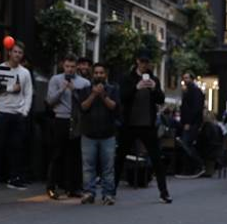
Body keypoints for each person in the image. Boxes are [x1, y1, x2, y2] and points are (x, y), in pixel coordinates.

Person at [115, 51, 172, 203]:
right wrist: (136, 87)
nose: (145, 65)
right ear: (137, 61)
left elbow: (160, 99)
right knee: (120, 157)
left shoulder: (153, 78)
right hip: (130, 125)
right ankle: (111, 191)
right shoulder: (128, 78)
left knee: (156, 159)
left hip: (147, 125)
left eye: (147, 62)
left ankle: (164, 192)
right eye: (142, 61)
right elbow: (122, 97)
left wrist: (154, 88)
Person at [0, 39, 33, 190]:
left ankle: (14, 177)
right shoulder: (0, 69)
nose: (17, 55)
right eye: (15, 51)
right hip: (2, 111)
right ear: (9, 52)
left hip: (17, 113)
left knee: (16, 147)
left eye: (20, 52)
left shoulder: (25, 72)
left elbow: (28, 93)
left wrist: (24, 111)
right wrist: (11, 88)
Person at [46, 53, 90, 199]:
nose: (69, 70)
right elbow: (50, 101)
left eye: (72, 67)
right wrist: (62, 89)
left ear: (76, 67)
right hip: (61, 119)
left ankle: (74, 187)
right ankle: (52, 187)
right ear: (62, 66)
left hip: (76, 121)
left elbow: (85, 104)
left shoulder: (84, 83)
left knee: (75, 155)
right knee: (57, 154)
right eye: (67, 66)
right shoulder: (55, 79)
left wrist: (74, 91)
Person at [78, 63, 120, 205]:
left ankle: (108, 194)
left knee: (108, 167)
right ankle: (89, 193)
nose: (98, 75)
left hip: (108, 134)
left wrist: (102, 95)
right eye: (96, 73)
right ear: (92, 75)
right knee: (88, 167)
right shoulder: (85, 90)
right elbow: (83, 107)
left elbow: (114, 107)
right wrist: (93, 94)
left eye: (101, 73)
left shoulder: (113, 90)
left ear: (105, 75)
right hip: (88, 134)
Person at [178, 72, 206, 178]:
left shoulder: (194, 91)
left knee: (186, 143)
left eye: (187, 78)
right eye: (184, 78)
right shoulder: (190, 91)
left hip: (191, 123)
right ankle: (192, 167)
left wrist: (189, 122)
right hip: (190, 122)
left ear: (192, 79)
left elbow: (195, 109)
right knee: (186, 144)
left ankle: (198, 165)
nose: (185, 80)